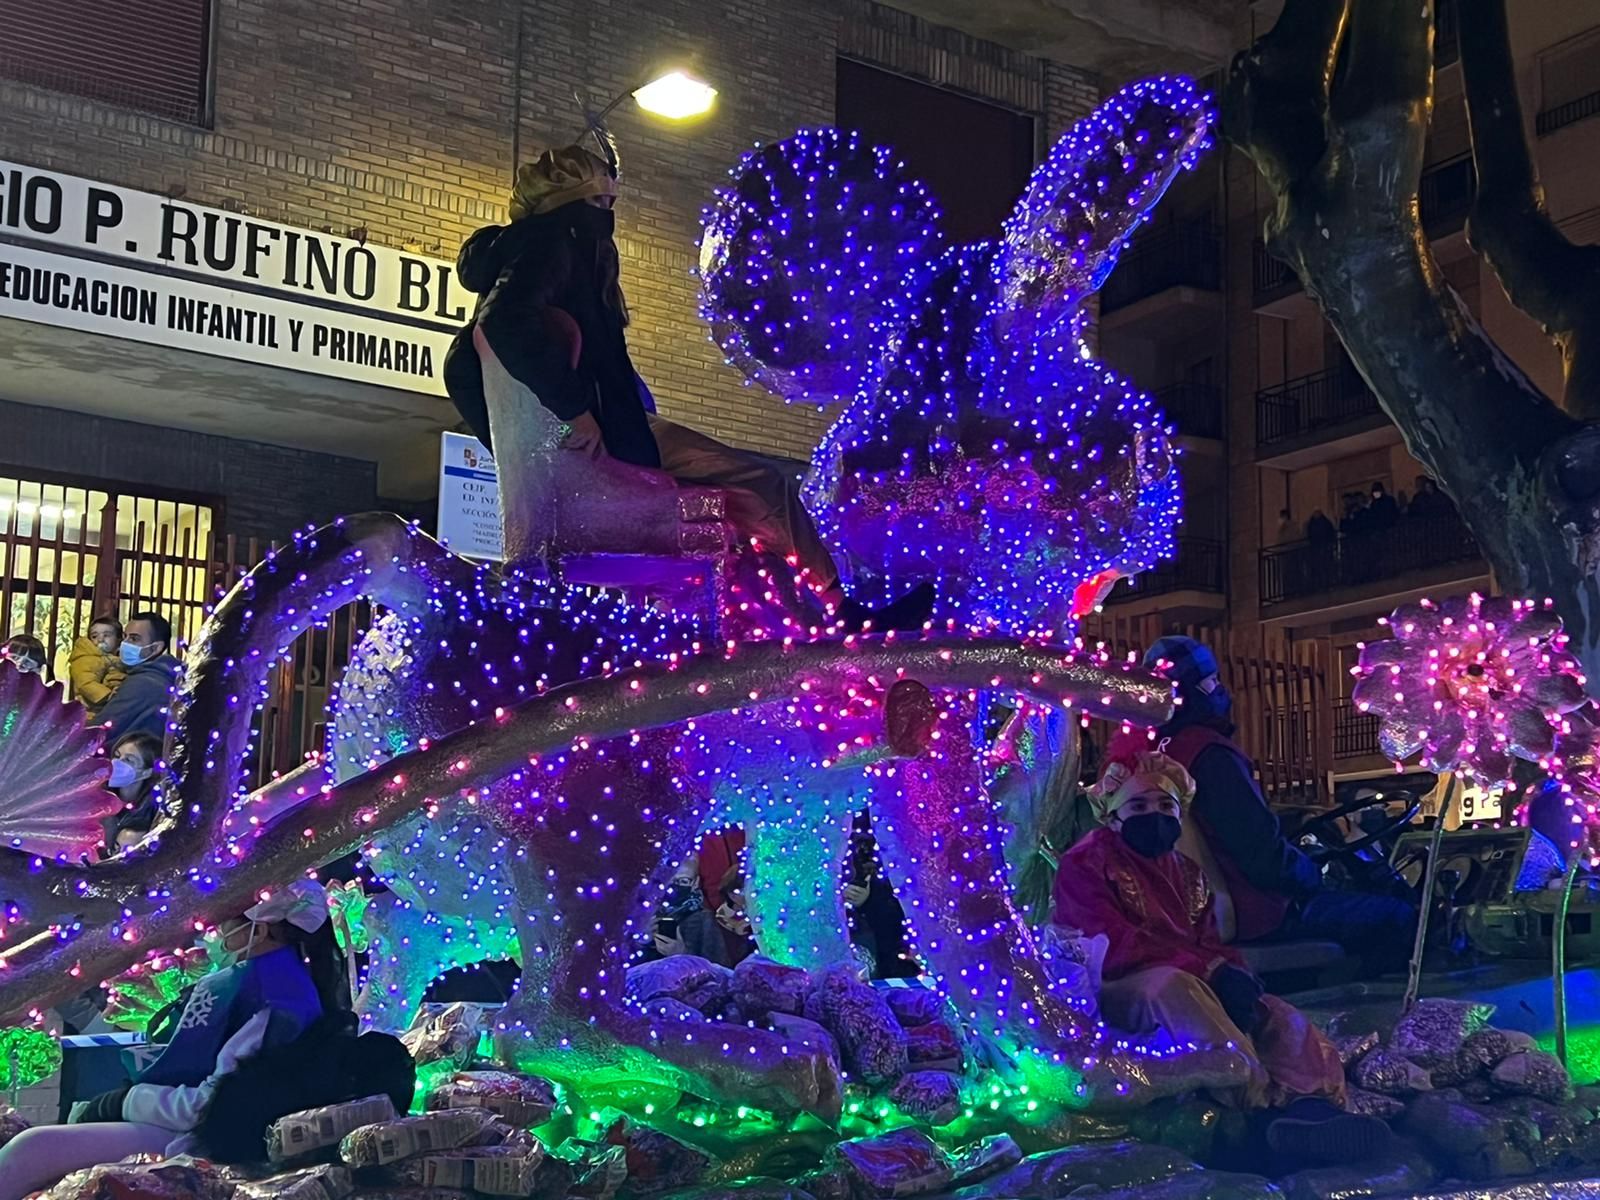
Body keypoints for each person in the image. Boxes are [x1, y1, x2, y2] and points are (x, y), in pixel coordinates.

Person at [443, 140, 933, 632]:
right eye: (599, 201)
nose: (608, 212)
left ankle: (801, 614)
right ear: (570, 204)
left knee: (744, 506)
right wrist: (574, 413)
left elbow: (469, 363)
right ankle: (840, 613)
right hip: (612, 430)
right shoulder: (557, 241)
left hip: (607, 428)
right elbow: (507, 322)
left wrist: (525, 447)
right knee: (767, 483)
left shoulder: (539, 252)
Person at [1053, 748, 1388, 1162]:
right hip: (1120, 987)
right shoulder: (1087, 863)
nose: (1153, 814)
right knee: (1171, 988)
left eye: (1165, 805)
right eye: (1138, 805)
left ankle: (1312, 1107)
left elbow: (1208, 940)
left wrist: (1232, 971)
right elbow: (1110, 943)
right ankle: (1257, 1108)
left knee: (1273, 1013)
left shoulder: (1187, 872)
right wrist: (1208, 969)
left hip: (1194, 977)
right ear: (1113, 814)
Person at [0, 882, 343, 1200]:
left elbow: (207, 1107)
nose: (218, 932)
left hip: (208, 1142)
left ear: (260, 928)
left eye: (227, 922)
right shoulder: (294, 983)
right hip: (205, 1127)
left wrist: (125, 1101)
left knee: (32, 1147)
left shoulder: (268, 997)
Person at [1139, 636, 1417, 973]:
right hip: (1259, 913)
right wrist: (1313, 874)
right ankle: (1384, 1012)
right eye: (1211, 681)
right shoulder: (1210, 755)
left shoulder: (1160, 755)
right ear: (1195, 691)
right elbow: (1260, 855)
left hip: (1208, 909)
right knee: (1402, 918)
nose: (1220, 690)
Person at [96, 611, 180, 743]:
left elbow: (100, 729)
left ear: (156, 648)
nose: (125, 643)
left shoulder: (144, 683)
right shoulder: (166, 676)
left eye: (134, 639)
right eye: (125, 637)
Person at [102, 731, 165, 854]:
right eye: (117, 755)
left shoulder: (151, 812)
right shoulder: (101, 799)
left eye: (129, 760)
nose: (116, 763)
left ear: (147, 772)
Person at [70, 615, 127, 720]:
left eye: (107, 635)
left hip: (109, 709)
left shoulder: (116, 658)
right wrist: (107, 695)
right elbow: (85, 682)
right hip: (91, 712)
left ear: (119, 639)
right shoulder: (87, 658)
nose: (100, 639)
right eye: (94, 636)